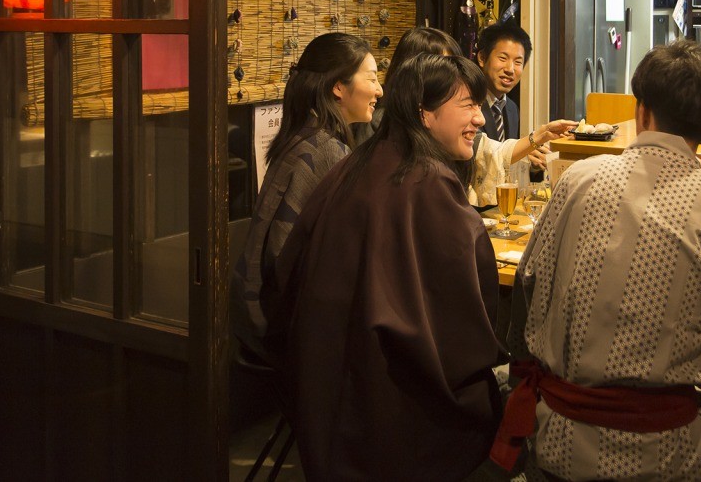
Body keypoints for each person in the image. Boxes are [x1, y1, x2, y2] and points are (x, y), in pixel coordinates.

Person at [497, 39, 701, 480]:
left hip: (555, 432)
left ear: (641, 112)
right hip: (665, 453)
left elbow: (529, 281)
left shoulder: (579, 178)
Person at [266, 53, 504, 481]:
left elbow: (288, 271)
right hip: (391, 400)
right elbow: (468, 302)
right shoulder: (427, 179)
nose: (480, 119)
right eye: (467, 105)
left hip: (322, 387)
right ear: (424, 114)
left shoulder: (353, 163)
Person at [229, 32, 380, 364]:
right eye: (371, 78)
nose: (380, 90)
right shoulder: (329, 150)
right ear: (338, 87)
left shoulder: (305, 137)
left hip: (258, 318)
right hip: (285, 330)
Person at [383, 26, 574, 207]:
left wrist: (537, 141)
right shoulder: (388, 143)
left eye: (518, 62)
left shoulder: (510, 109)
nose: (478, 118)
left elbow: (488, 152)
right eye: (443, 67)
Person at [476, 21, 532, 142]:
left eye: (518, 62)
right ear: (482, 58)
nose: (510, 69)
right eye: (503, 58)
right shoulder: (469, 102)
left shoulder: (512, 108)